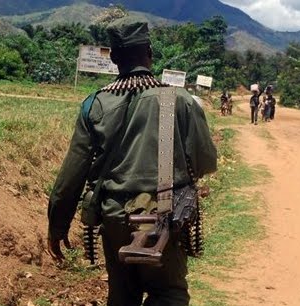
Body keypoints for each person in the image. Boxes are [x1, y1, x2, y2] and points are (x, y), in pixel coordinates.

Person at [47, 16, 217, 306]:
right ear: (150, 53)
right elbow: (205, 163)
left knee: (123, 295)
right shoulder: (180, 100)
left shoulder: (95, 103)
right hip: (165, 214)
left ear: (114, 58)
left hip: (114, 217)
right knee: (168, 293)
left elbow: (72, 175)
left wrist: (57, 225)